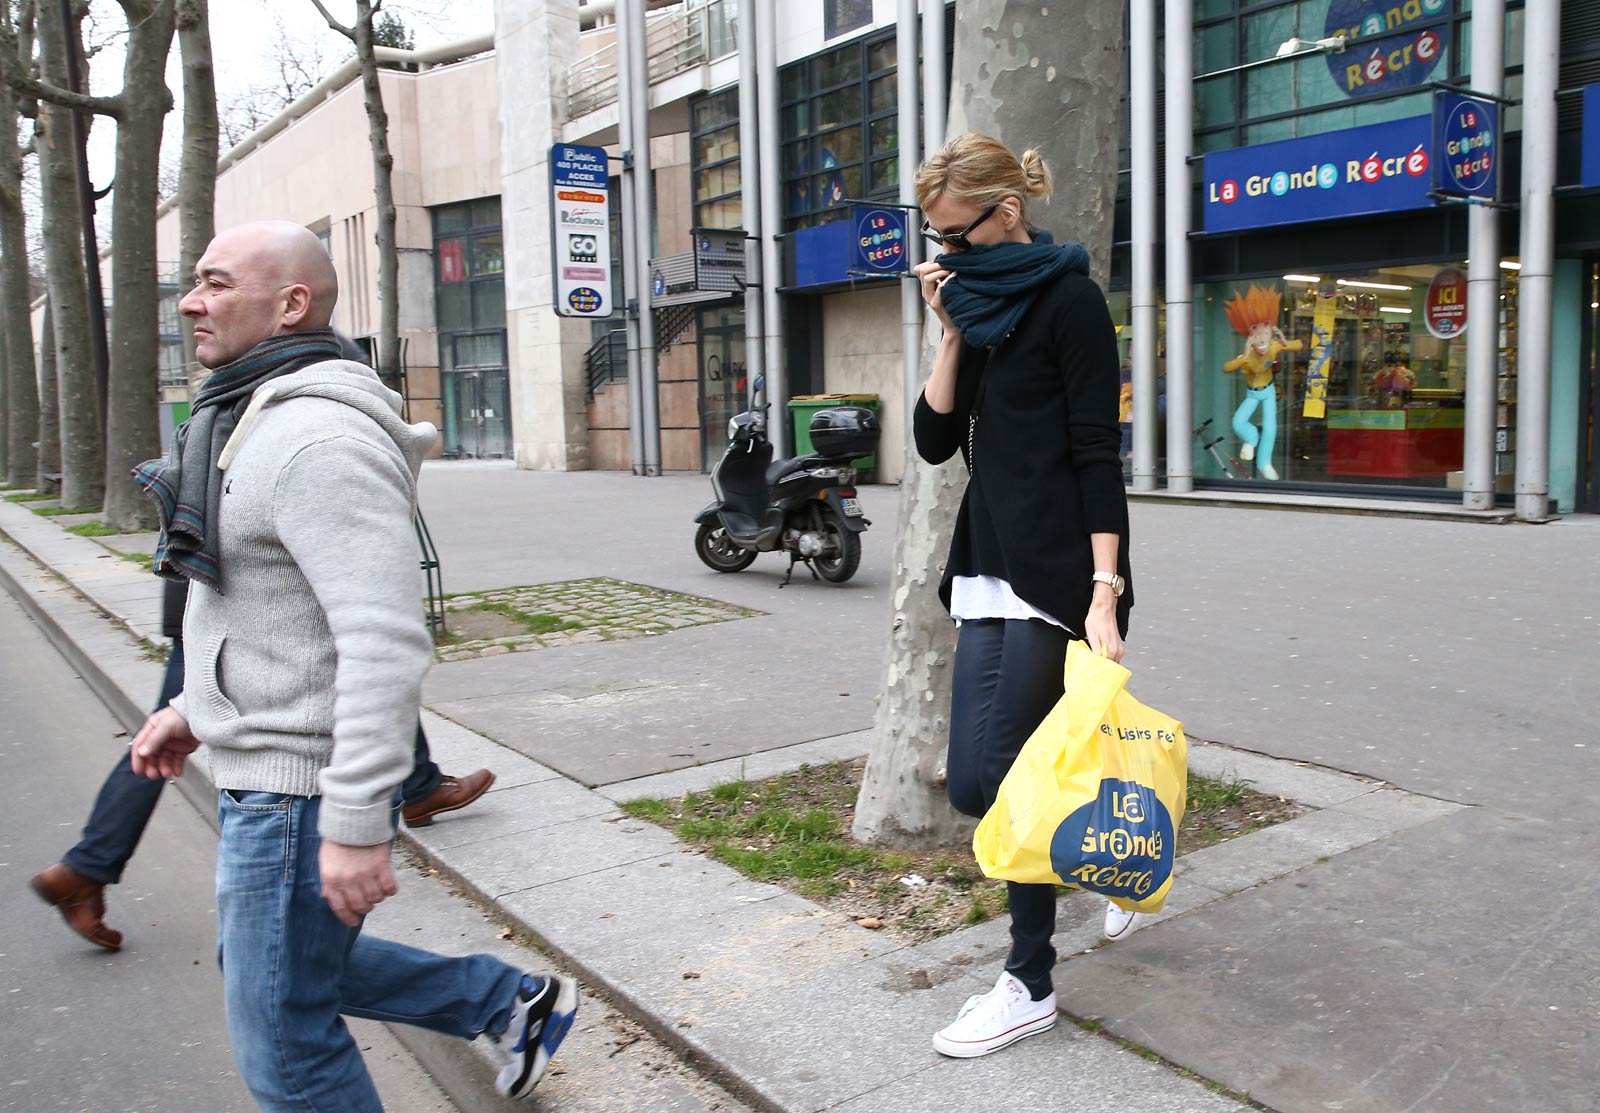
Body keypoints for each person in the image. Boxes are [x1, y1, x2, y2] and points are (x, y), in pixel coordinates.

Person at [128, 220, 575, 1105]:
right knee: (266, 974)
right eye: (195, 281)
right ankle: (502, 998)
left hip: (298, 792)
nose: (190, 301)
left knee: (287, 1044)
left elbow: (383, 638)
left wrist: (356, 820)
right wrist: (195, 706)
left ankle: (500, 997)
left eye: (216, 283)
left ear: (290, 304)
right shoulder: (247, 412)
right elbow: (266, 607)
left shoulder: (317, 443)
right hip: (267, 768)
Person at [909, 134, 1135, 1059]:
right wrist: (952, 331)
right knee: (973, 780)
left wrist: (1106, 591)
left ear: (1007, 213)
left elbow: (1097, 454)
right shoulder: (977, 305)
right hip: (986, 563)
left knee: (1009, 774)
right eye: (936, 239)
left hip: (1059, 577)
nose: (945, 255)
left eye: (957, 236)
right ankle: (1106, 840)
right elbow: (931, 442)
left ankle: (1028, 979)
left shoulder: (1072, 301)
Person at [29, 586, 496, 953]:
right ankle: (87, 865)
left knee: (163, 736)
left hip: (215, 595)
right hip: (237, 603)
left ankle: (419, 785)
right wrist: (356, 828)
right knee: (164, 739)